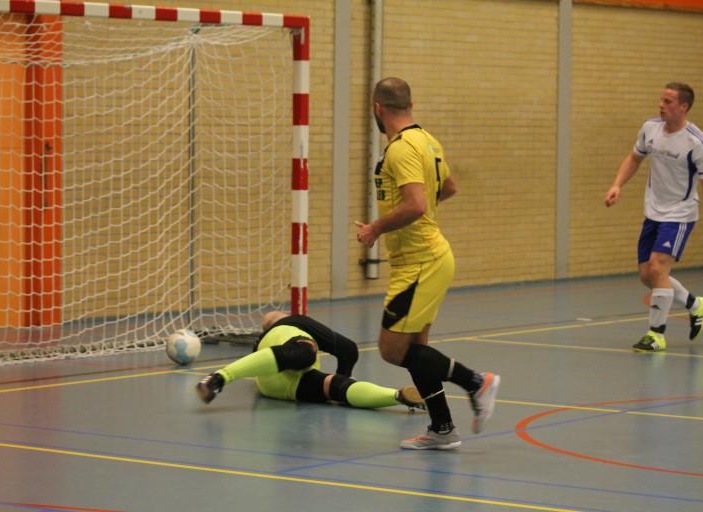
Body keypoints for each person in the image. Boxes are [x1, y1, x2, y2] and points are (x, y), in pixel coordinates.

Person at [355, 77, 500, 450]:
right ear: (411, 104)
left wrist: (375, 228)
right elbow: (447, 188)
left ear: (377, 108)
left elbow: (417, 205)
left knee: (392, 349)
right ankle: (442, 429)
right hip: (427, 258)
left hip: (420, 262)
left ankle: (476, 382)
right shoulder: (427, 141)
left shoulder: (401, 148)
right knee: (417, 349)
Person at [604, 82, 703, 352]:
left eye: (668, 101)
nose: (661, 105)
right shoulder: (650, 129)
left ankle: (656, 334)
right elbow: (634, 158)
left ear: (684, 107)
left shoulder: (697, 142)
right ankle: (696, 304)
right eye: (661, 100)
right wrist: (617, 184)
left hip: (680, 213)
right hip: (653, 211)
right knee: (647, 275)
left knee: (659, 268)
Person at [196, 311, 426, 411]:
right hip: (293, 372)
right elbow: (348, 349)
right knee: (317, 364)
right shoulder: (295, 322)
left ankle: (398, 396)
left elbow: (262, 363)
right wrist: (344, 374)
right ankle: (219, 377)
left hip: (271, 386)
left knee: (330, 386)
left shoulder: (259, 346)